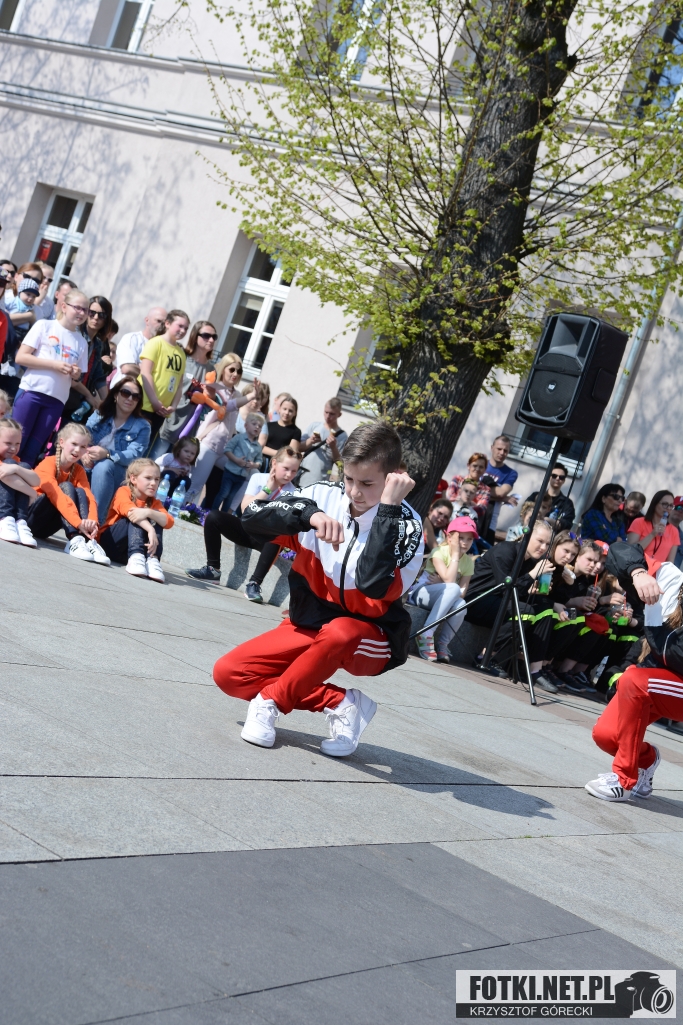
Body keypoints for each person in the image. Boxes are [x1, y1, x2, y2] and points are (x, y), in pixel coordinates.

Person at [212, 422, 423, 755]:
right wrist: (306, 515)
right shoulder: (323, 495)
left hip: (371, 637)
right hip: (311, 622)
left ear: (394, 477)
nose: (354, 492)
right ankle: (341, 703)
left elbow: (372, 584)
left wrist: (387, 510)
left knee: (340, 632)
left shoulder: (407, 525)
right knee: (230, 674)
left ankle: (270, 701)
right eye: (349, 479)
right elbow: (250, 518)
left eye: (367, 483)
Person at [583, 539, 672, 801]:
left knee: (634, 679)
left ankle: (623, 781)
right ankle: (646, 759)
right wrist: (639, 572)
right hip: (661, 674)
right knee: (606, 736)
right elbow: (620, 549)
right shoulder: (670, 576)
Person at [186, 446, 303, 601]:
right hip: (246, 529)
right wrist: (268, 489)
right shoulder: (258, 478)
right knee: (213, 517)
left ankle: (254, 583)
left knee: (279, 536)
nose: (289, 475)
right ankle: (213, 569)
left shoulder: (294, 493)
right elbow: (245, 508)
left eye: (294, 471)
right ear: (274, 463)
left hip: (267, 540)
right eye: (286, 468)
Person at [465, 520, 553, 678]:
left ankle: (532, 668)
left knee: (544, 609)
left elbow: (515, 591)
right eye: (540, 541)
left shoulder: (530, 561)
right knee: (526, 612)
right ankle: (485, 656)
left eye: (547, 544)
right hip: (476, 600)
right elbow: (506, 588)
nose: (543, 547)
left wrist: (531, 590)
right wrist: (533, 574)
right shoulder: (505, 550)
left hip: (497, 602)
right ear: (526, 536)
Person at [13, 288, 89, 466]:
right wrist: (54, 365)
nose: (81, 313)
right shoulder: (44, 326)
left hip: (56, 401)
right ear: (64, 306)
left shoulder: (82, 342)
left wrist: (76, 374)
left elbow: (77, 378)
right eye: (77, 308)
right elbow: (21, 357)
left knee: (32, 451)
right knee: (14, 444)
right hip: (32, 392)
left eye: (85, 310)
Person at [26, 422, 110, 564]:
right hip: (31, 521)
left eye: (83, 447)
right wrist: (78, 523)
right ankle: (74, 538)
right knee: (66, 486)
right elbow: (56, 496)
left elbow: (89, 496)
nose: (77, 450)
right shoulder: (48, 463)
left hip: (47, 527)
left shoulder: (79, 470)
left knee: (80, 491)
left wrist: (92, 521)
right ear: (62, 442)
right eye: (74, 444)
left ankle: (87, 540)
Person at [185, 353, 256, 505]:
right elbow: (228, 406)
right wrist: (250, 396)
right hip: (208, 443)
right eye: (232, 370)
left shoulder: (237, 394)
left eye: (239, 371)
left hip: (224, 449)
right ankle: (182, 513)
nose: (235, 374)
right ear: (223, 369)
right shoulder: (214, 389)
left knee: (250, 474)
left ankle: (231, 510)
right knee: (195, 486)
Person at [408, 516, 477, 662]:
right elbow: (451, 582)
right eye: (461, 538)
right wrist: (456, 555)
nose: (465, 542)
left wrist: (443, 582)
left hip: (444, 596)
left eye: (469, 539)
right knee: (453, 588)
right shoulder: (439, 551)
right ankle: (426, 633)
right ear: (449, 537)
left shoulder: (468, 563)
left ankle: (442, 643)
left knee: (461, 605)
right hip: (421, 593)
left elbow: (462, 593)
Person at [83, 376, 151, 522]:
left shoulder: (143, 426)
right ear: (115, 395)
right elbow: (83, 437)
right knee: (68, 454)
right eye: (125, 393)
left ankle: (95, 522)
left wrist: (107, 454)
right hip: (88, 462)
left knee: (104, 466)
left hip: (117, 472)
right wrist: (83, 453)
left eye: (135, 396)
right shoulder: (99, 414)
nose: (130, 399)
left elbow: (134, 455)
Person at [98, 458, 173, 582]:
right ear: (133, 479)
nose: (153, 483)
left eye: (156, 479)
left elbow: (169, 522)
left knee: (157, 516)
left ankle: (152, 559)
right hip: (110, 545)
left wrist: (149, 512)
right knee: (136, 514)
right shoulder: (123, 491)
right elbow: (130, 511)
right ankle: (136, 555)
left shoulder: (154, 502)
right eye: (148, 478)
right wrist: (150, 529)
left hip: (127, 554)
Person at [154, 320, 218, 455]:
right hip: (168, 421)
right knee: (153, 461)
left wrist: (211, 395)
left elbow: (208, 403)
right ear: (195, 336)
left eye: (214, 337)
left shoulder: (211, 370)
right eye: (206, 336)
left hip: (187, 428)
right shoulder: (181, 358)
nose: (211, 340)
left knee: (173, 465)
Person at [139, 309, 190, 444]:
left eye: (186, 328)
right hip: (144, 406)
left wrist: (173, 405)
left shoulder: (181, 353)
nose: (183, 330)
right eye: (180, 326)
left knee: (145, 446)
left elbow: (179, 384)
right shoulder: (155, 343)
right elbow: (145, 373)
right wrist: (155, 402)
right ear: (167, 323)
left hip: (161, 411)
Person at [63, 295, 112, 422]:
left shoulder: (99, 344)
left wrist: (107, 404)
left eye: (101, 315)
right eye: (92, 313)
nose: (96, 318)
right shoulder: (75, 336)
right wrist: (89, 396)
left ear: (106, 319)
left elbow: (99, 378)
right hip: (63, 393)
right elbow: (72, 376)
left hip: (78, 401)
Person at [212, 412, 264, 512]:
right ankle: (212, 512)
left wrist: (254, 465)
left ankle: (222, 516)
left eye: (260, 426)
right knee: (223, 493)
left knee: (230, 497)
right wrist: (236, 460)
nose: (257, 427)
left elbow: (259, 461)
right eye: (254, 424)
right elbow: (227, 450)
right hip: (230, 471)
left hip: (242, 476)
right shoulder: (239, 438)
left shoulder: (258, 446)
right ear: (246, 425)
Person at [0, 417, 40, 547]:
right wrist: (32, 493)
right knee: (11, 465)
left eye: (17, 444)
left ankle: (20, 521)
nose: (13, 448)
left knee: (24, 467)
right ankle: (4, 519)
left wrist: (17, 468)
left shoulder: (15, 462)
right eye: (8, 443)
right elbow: (5, 478)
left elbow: (36, 480)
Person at [111, 306, 167, 385]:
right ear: (147, 320)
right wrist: (150, 372)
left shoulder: (164, 347)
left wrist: (141, 367)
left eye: (165, 323)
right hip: (124, 390)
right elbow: (127, 368)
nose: (162, 325)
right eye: (158, 321)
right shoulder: (132, 339)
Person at [627, 490, 679, 573]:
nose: (668, 508)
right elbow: (631, 550)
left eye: (671, 505)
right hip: (635, 570)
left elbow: (670, 562)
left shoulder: (674, 531)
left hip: (656, 575)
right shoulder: (639, 522)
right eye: (665, 504)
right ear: (655, 504)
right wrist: (652, 534)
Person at [298, 398, 347, 485]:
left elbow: (340, 463)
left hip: (320, 479)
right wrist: (310, 441)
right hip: (301, 474)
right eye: (326, 412)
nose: (328, 416)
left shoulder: (342, 436)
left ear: (339, 415)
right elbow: (298, 448)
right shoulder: (314, 426)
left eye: (332, 414)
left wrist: (333, 447)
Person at [480, 436, 519, 542]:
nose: (502, 453)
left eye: (505, 451)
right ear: (492, 448)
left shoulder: (511, 473)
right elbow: (470, 490)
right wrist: (504, 498)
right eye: (499, 449)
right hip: (471, 515)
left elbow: (501, 493)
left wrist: (501, 496)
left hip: (490, 522)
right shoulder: (480, 465)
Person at [525, 463, 575, 530]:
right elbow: (524, 511)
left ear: (564, 481)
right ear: (549, 477)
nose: (557, 478)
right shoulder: (536, 496)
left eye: (561, 477)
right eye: (554, 476)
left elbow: (567, 524)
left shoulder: (567, 503)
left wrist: (547, 520)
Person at [447, 452, 491, 516]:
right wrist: (470, 504)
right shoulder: (458, 479)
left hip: (470, 518)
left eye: (481, 467)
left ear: (485, 469)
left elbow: (481, 509)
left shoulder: (486, 489)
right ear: (468, 466)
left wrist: (462, 501)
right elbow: (450, 497)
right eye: (475, 466)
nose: (477, 469)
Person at [258, 394, 301, 460]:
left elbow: (290, 453)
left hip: (279, 463)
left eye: (290, 411)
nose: (286, 412)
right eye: (285, 409)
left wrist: (267, 450)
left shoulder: (296, 431)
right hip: (262, 461)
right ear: (279, 409)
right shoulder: (268, 425)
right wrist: (280, 453)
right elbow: (259, 446)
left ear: (295, 413)